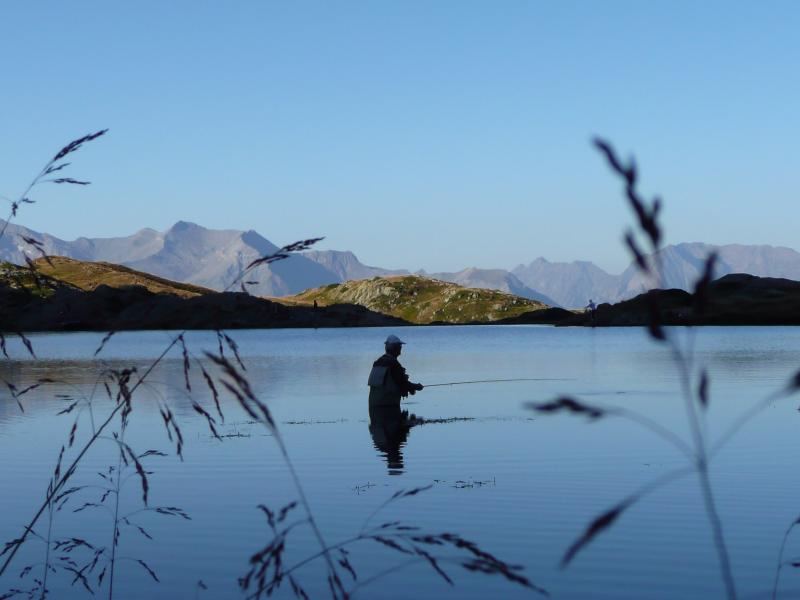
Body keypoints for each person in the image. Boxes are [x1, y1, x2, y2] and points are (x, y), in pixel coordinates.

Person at [367, 334, 424, 409]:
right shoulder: (393, 364)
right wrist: (416, 386)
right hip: (388, 405)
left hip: (373, 405)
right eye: (400, 346)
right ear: (395, 348)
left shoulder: (377, 362)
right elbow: (402, 383)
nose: (401, 348)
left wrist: (410, 388)